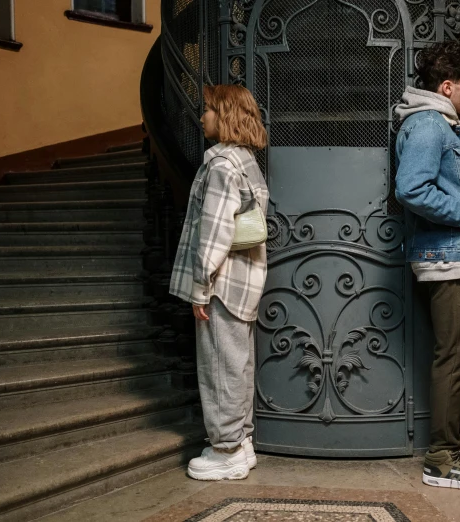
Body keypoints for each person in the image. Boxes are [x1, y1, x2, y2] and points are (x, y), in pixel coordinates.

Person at [394, 41, 460, 491]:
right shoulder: (427, 125)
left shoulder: (445, 125)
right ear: (446, 86)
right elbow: (412, 190)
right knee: (457, 360)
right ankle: (441, 460)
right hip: (447, 258)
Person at [169, 84, 268, 481]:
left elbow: (213, 233)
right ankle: (241, 443)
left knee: (218, 369)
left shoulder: (221, 165)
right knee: (238, 366)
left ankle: (225, 450)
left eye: (208, 109)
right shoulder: (247, 162)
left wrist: (200, 286)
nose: (202, 116)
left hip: (222, 284)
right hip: (246, 282)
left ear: (225, 115)